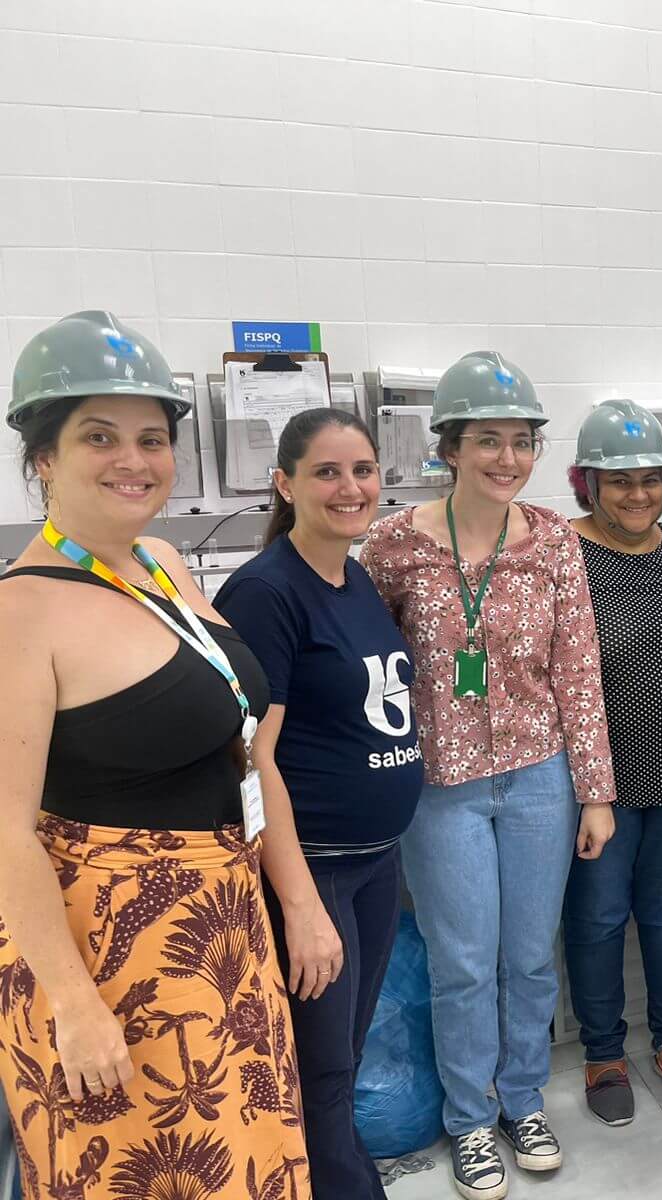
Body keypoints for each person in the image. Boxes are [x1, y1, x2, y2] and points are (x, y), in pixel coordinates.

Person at [0, 311, 310, 1197]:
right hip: (109, 958)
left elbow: (249, 747)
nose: (132, 459)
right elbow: (5, 832)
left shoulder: (164, 561)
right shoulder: (21, 612)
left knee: (249, 1162)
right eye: (98, 436)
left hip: (222, 930)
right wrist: (72, 1004)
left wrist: (292, 895)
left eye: (150, 437)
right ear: (44, 458)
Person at [361, 351, 615, 1200]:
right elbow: (368, 671)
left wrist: (597, 790)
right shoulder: (393, 548)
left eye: (522, 442)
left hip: (540, 776)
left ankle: (522, 1099)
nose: (507, 459)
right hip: (442, 788)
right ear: (448, 448)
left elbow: (579, 668)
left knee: (529, 960)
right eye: (488, 442)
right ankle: (471, 1120)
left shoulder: (551, 542)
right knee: (463, 962)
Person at [212, 407, 423, 1198]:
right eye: (327, 472)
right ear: (285, 483)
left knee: (342, 1060)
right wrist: (300, 906)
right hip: (318, 873)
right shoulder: (267, 594)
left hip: (373, 862)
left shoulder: (354, 575)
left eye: (363, 470)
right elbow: (250, 758)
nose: (350, 487)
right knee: (322, 1074)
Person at [561, 400, 662, 1127]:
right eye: (617, 480)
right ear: (585, 482)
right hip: (601, 783)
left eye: (650, 478)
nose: (636, 493)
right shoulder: (562, 553)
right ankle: (603, 1052)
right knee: (596, 919)